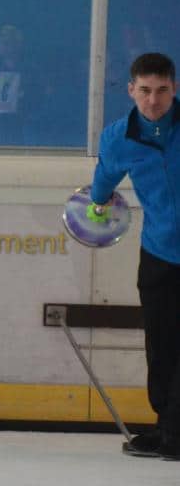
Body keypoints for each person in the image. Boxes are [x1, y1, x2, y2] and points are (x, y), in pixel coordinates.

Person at [89, 51, 179, 460]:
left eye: (162, 90)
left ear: (174, 89)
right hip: (159, 253)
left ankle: (176, 431)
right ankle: (166, 426)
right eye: (145, 90)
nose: (153, 100)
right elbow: (104, 180)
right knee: (160, 343)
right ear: (130, 90)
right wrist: (95, 204)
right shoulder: (118, 137)